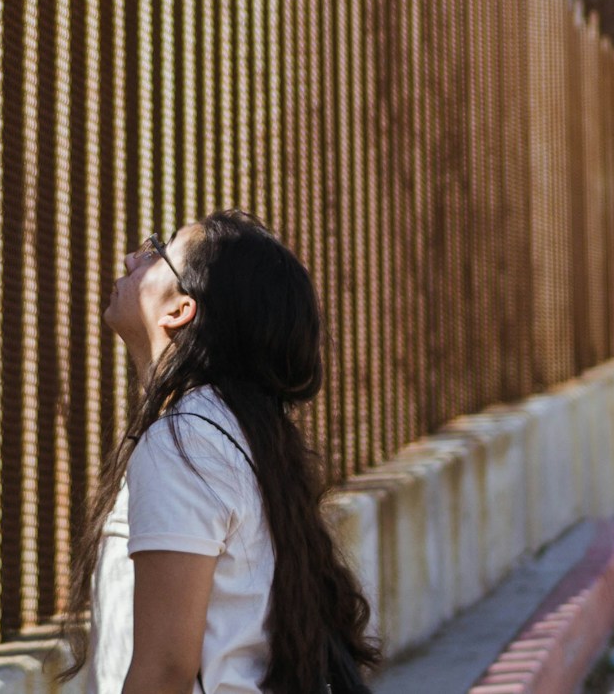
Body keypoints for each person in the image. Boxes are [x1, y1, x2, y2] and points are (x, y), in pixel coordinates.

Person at [64, 210, 379, 694]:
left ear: (180, 310)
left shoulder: (185, 443)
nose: (133, 258)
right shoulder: (235, 431)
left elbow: (166, 668)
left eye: (157, 252)